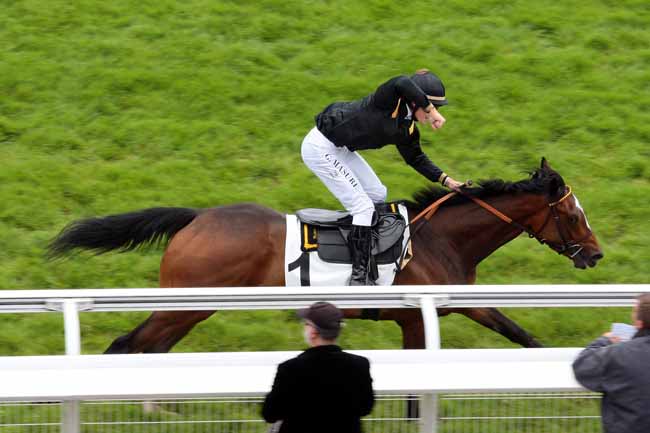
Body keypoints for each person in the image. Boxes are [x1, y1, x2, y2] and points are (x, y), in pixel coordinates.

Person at [302, 69, 463, 286]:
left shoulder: (407, 129)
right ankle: (359, 276)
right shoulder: (388, 100)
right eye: (433, 107)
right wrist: (431, 109)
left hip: (341, 148)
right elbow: (401, 81)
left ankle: (362, 245)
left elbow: (416, 158)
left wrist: (447, 180)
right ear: (415, 101)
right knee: (363, 208)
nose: (433, 114)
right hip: (320, 148)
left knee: (378, 193)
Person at [262, 301, 374, 433]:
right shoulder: (359, 365)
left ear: (313, 332)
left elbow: (270, 414)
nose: (304, 327)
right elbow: (365, 408)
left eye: (306, 324)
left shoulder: (290, 369)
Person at [572, 293, 650, 433]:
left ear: (639, 323)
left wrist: (604, 341)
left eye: (634, 312)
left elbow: (583, 367)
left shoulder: (619, 354)